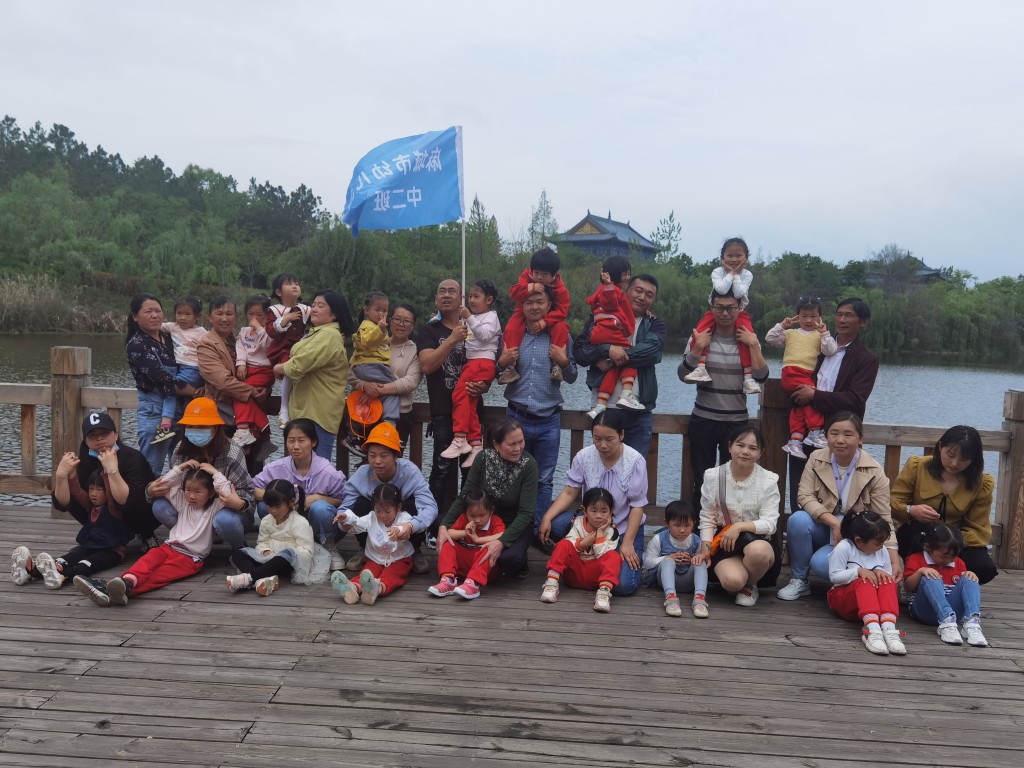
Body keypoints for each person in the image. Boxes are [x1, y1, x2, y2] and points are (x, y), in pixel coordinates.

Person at [73, 459, 244, 606]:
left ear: (211, 493)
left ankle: (111, 589)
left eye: (198, 492)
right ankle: (125, 582)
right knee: (145, 562)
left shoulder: (214, 507)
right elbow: (164, 484)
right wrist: (180, 468)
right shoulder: (183, 503)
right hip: (168, 548)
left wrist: (214, 472)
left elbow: (227, 491)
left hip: (190, 558)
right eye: (188, 490)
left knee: (157, 577)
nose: (191, 496)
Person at [777, 411, 899, 601]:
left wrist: (893, 556)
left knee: (820, 564)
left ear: (860, 439)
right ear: (826, 436)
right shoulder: (816, 458)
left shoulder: (874, 471)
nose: (840, 440)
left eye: (848, 434)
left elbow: (883, 517)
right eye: (834, 433)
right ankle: (799, 580)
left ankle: (852, 583)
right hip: (823, 526)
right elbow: (804, 496)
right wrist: (834, 523)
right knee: (798, 519)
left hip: (853, 537)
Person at [538, 410, 647, 596]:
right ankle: (580, 554)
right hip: (589, 522)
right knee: (554, 526)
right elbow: (569, 491)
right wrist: (547, 517)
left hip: (622, 526)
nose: (603, 445)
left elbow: (637, 506)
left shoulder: (635, 460)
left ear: (621, 435)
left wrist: (628, 543)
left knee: (623, 586)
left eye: (609, 439)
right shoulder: (584, 456)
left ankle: (607, 559)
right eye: (597, 439)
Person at [498, 286, 577, 541]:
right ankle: (513, 531)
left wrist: (564, 362)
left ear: (549, 304)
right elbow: (495, 371)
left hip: (548, 419)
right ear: (521, 306)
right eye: (529, 302)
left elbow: (573, 376)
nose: (534, 306)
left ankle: (537, 533)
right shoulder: (513, 332)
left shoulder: (559, 334)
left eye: (539, 301)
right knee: (512, 474)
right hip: (516, 417)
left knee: (543, 479)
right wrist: (501, 362)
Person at [786, 297, 879, 510]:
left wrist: (814, 396)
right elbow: (796, 374)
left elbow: (855, 399)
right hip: (803, 433)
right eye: (839, 314)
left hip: (838, 437)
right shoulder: (818, 345)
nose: (842, 320)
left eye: (849, 315)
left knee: (837, 499)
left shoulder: (866, 359)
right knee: (800, 495)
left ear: (863, 322)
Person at [679, 289, 769, 501]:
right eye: (719, 308)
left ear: (739, 308)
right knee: (702, 481)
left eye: (730, 308)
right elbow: (683, 375)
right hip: (703, 419)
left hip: (736, 422)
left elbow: (761, 377)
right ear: (712, 308)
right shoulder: (701, 336)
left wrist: (753, 344)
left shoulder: (748, 339)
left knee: (734, 481)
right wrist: (697, 348)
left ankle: (730, 523)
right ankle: (702, 522)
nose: (725, 313)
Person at [890, 425, 998, 585]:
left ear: (974, 459)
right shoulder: (917, 466)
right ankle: (916, 579)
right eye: (950, 455)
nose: (954, 463)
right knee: (912, 535)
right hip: (920, 535)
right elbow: (893, 502)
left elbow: (978, 528)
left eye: (964, 459)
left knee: (983, 567)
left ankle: (953, 584)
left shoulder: (981, 483)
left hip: (956, 540)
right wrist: (911, 510)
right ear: (940, 446)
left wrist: (951, 541)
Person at [147, 397, 257, 550]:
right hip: (192, 510)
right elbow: (171, 484)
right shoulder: (181, 449)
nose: (196, 430)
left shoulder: (232, 452)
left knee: (224, 521)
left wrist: (239, 503)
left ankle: (239, 548)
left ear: (215, 428)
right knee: (159, 506)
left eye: (202, 426)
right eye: (191, 426)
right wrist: (151, 491)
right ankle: (190, 541)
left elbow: (249, 494)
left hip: (224, 510)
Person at [574, 274, 665, 457]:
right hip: (604, 410)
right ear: (626, 291)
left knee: (635, 468)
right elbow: (579, 352)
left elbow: (653, 353)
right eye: (638, 291)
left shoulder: (654, 324)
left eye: (649, 295)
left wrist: (611, 359)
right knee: (602, 468)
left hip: (639, 412)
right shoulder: (601, 318)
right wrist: (607, 349)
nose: (642, 297)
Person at [437, 419, 538, 579]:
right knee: (438, 523)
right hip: (482, 520)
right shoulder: (482, 458)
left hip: (512, 524)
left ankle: (514, 559)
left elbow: (525, 514)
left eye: (521, 441)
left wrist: (501, 542)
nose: (518, 448)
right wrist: (444, 526)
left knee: (510, 559)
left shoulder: (529, 465)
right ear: (496, 444)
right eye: (512, 444)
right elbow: (465, 495)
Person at [691, 425, 779, 607]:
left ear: (760, 453)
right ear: (730, 447)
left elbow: (770, 523)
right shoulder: (713, 476)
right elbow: (707, 517)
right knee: (733, 582)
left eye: (752, 448)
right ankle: (742, 583)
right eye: (740, 445)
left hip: (757, 540)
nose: (745, 451)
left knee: (759, 552)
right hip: (725, 543)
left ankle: (751, 585)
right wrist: (705, 549)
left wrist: (739, 527)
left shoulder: (768, 480)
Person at [418, 279, 485, 513]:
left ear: (461, 298)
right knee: (441, 469)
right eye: (442, 292)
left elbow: (489, 361)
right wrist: (452, 340)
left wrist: (484, 384)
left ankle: (468, 522)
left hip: (472, 412)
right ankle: (432, 523)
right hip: (443, 411)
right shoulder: (429, 330)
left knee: (471, 471)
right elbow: (427, 366)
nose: (446, 295)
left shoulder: (474, 327)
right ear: (436, 299)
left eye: (452, 291)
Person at [13, 457, 130, 589]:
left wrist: (108, 471)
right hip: (90, 545)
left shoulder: (113, 508)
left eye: (99, 489)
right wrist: (72, 472)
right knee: (69, 557)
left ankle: (62, 577)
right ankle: (30, 570)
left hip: (112, 551)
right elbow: (77, 491)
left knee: (87, 563)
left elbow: (110, 491)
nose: (93, 493)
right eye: (91, 489)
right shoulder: (90, 505)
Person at [336, 422, 437, 574]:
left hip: (403, 524)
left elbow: (429, 506)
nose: (377, 461)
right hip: (374, 524)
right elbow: (346, 506)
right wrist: (344, 521)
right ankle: (366, 549)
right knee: (360, 505)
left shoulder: (410, 472)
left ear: (396, 455)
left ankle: (414, 550)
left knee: (413, 506)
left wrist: (411, 526)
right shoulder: (362, 474)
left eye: (383, 456)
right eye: (372, 455)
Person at [51, 411, 159, 551]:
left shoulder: (132, 457)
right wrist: (61, 475)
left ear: (116, 435)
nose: (99, 439)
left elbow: (130, 500)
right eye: (92, 435)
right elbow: (62, 504)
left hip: (135, 512)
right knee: (72, 495)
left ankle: (146, 534)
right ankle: (97, 531)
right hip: (105, 514)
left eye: (105, 433)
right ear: (85, 441)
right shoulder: (84, 460)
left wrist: (112, 470)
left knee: (142, 500)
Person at [252, 418, 348, 568]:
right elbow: (252, 488)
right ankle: (281, 542)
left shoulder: (328, 472)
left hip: (320, 525)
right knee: (266, 505)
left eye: (301, 440)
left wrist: (320, 498)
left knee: (320, 508)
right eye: (291, 441)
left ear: (313, 442)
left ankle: (328, 546)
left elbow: (344, 500)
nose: (296, 446)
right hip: (289, 526)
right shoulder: (276, 468)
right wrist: (282, 500)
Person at [274, 289, 354, 462]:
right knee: (301, 470)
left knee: (316, 470)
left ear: (334, 314)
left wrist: (278, 368)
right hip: (306, 412)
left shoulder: (329, 335)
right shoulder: (316, 333)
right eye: (314, 305)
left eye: (321, 305)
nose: (315, 309)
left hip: (317, 414)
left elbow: (299, 365)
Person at [196, 295, 275, 467]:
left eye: (229, 314)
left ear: (236, 317)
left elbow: (262, 367)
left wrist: (265, 389)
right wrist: (252, 391)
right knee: (225, 471)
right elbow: (222, 381)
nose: (224, 318)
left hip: (250, 420)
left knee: (253, 472)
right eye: (219, 314)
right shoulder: (206, 345)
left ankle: (263, 437)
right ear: (210, 317)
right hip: (223, 420)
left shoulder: (242, 339)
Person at [125, 293, 197, 473]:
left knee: (181, 467)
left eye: (158, 311)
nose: (154, 315)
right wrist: (196, 391)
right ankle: (146, 493)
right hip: (155, 411)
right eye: (148, 311)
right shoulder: (137, 344)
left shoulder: (169, 336)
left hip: (179, 410)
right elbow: (163, 379)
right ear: (135, 316)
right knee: (151, 468)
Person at [684, 238, 760, 395]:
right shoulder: (717, 272)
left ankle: (748, 377)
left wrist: (735, 274)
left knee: (747, 338)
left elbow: (738, 293)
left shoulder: (747, 274)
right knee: (700, 332)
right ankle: (700, 367)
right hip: (715, 311)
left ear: (746, 258)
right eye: (729, 255)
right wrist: (731, 273)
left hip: (739, 313)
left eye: (738, 255)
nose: (734, 259)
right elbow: (721, 289)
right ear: (722, 258)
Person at [764, 297, 839, 457]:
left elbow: (831, 350)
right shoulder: (791, 333)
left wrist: (824, 333)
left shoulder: (820, 336)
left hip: (806, 374)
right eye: (804, 316)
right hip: (792, 372)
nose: (809, 320)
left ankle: (795, 440)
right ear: (798, 316)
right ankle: (815, 432)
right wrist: (782, 325)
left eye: (813, 316)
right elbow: (769, 338)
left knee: (800, 405)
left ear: (820, 317)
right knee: (812, 399)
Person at [826, 511, 907, 656]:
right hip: (845, 601)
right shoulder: (844, 547)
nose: (881, 546)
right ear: (859, 541)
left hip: (873, 607)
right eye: (877, 543)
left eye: (883, 542)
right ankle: (872, 630)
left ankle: (888, 627)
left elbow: (887, 576)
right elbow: (834, 576)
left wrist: (880, 571)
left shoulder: (881, 550)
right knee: (864, 581)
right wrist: (858, 571)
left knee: (887, 580)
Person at [227, 479, 325, 596]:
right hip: (268, 560)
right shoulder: (266, 521)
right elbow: (262, 542)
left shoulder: (299, 522)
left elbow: (307, 551)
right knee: (238, 554)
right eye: (269, 506)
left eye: (278, 506)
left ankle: (250, 578)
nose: (273, 511)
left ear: (291, 502)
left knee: (283, 556)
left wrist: (285, 554)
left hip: (289, 564)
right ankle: (260, 580)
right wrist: (265, 551)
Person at [441, 278, 501, 464]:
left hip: (482, 363)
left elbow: (484, 336)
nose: (472, 300)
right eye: (470, 296)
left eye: (476, 297)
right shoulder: (475, 318)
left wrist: (469, 317)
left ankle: (459, 437)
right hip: (473, 363)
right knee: (469, 404)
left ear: (489, 300)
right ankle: (475, 444)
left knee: (458, 395)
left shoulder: (491, 317)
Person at [351, 303, 421, 451]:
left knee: (390, 460)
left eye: (406, 321)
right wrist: (364, 386)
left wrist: (379, 390)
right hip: (369, 411)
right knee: (369, 459)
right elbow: (352, 371)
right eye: (397, 319)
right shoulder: (376, 343)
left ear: (413, 325)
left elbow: (411, 382)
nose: (401, 324)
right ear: (389, 320)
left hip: (398, 415)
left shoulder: (416, 350)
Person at [540, 488, 622, 613]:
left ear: (611, 512)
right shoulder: (577, 523)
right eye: (593, 511)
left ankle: (603, 593)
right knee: (563, 544)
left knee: (614, 556)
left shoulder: (612, 531)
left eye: (604, 511)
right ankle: (551, 583)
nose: (599, 516)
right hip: (574, 573)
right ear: (585, 510)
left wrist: (600, 535)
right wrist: (583, 544)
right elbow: (570, 544)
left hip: (596, 578)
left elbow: (603, 556)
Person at [330, 483, 414, 605]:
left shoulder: (404, 517)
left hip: (399, 558)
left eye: (387, 511)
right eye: (378, 510)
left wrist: (398, 530)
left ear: (398, 507)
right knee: (367, 572)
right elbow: (357, 523)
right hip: (375, 558)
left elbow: (405, 526)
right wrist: (346, 518)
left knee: (392, 575)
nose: (382, 515)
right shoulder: (371, 517)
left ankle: (377, 589)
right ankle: (352, 588)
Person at [903, 525, 988, 647]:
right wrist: (921, 572)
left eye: (953, 556)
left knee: (970, 578)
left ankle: (972, 622)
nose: (948, 560)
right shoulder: (916, 559)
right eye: (943, 556)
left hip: (954, 616)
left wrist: (969, 576)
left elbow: (964, 585)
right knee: (931, 576)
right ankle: (946, 621)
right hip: (925, 611)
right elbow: (909, 587)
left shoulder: (959, 563)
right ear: (928, 547)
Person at [498, 246, 570, 384]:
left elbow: (562, 311)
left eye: (544, 274)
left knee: (561, 327)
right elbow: (514, 294)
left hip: (552, 315)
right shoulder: (527, 276)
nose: (539, 277)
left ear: (554, 275)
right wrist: (529, 287)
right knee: (512, 327)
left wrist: (545, 321)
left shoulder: (560, 289)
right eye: (536, 272)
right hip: (522, 312)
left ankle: (557, 365)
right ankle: (510, 368)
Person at [584, 256, 645, 418]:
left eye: (628, 273)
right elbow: (610, 303)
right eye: (623, 274)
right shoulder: (612, 291)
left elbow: (593, 302)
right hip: (611, 333)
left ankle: (600, 405)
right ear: (613, 274)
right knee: (628, 356)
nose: (627, 277)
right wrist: (609, 286)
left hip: (600, 335)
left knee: (613, 369)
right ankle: (627, 394)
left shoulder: (602, 290)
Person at [428, 488, 506, 600]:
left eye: (482, 515)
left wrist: (478, 539)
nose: (477, 520)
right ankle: (448, 579)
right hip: (464, 565)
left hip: (485, 571)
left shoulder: (495, 521)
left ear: (491, 511)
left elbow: (502, 535)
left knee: (489, 548)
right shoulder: (463, 519)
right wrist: (465, 532)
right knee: (448, 541)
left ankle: (474, 583)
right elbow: (450, 533)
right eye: (473, 516)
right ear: (466, 513)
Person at [348, 290, 400, 453]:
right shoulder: (367, 326)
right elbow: (368, 342)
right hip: (370, 366)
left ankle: (355, 435)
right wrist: (380, 329)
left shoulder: (377, 327)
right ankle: (389, 426)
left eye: (385, 311)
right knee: (392, 389)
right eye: (377, 310)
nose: (381, 314)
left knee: (365, 399)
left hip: (369, 368)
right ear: (366, 309)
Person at [642, 500, 709, 618]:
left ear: (694, 523)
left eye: (687, 525)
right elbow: (648, 563)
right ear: (667, 523)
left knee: (700, 562)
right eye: (677, 525)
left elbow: (703, 562)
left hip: (688, 582)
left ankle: (699, 599)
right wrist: (667, 558)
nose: (682, 530)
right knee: (668, 561)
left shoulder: (696, 541)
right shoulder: (659, 539)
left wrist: (691, 560)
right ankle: (671, 598)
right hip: (664, 581)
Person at [156, 295, 206, 443]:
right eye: (179, 313)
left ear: (197, 317)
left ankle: (165, 426)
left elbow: (212, 346)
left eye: (188, 314)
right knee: (179, 399)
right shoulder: (172, 327)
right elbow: (155, 326)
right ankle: (178, 430)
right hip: (177, 368)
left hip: (192, 368)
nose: (182, 318)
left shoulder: (202, 332)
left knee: (170, 387)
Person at [265, 273, 312, 427]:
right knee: (289, 368)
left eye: (297, 284)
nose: (294, 286)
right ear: (278, 292)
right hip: (282, 349)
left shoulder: (305, 309)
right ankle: (284, 408)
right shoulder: (275, 310)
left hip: (300, 348)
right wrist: (285, 320)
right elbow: (270, 331)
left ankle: (299, 408)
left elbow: (318, 324)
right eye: (289, 284)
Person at [232, 295, 274, 448]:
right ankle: (260, 429)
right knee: (246, 396)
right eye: (250, 314)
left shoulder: (270, 333)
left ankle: (243, 427)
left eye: (259, 315)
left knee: (240, 393)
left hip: (264, 371)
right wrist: (241, 364)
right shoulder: (244, 331)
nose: (254, 318)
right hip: (247, 369)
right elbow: (240, 347)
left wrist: (260, 328)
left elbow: (268, 345)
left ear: (268, 316)